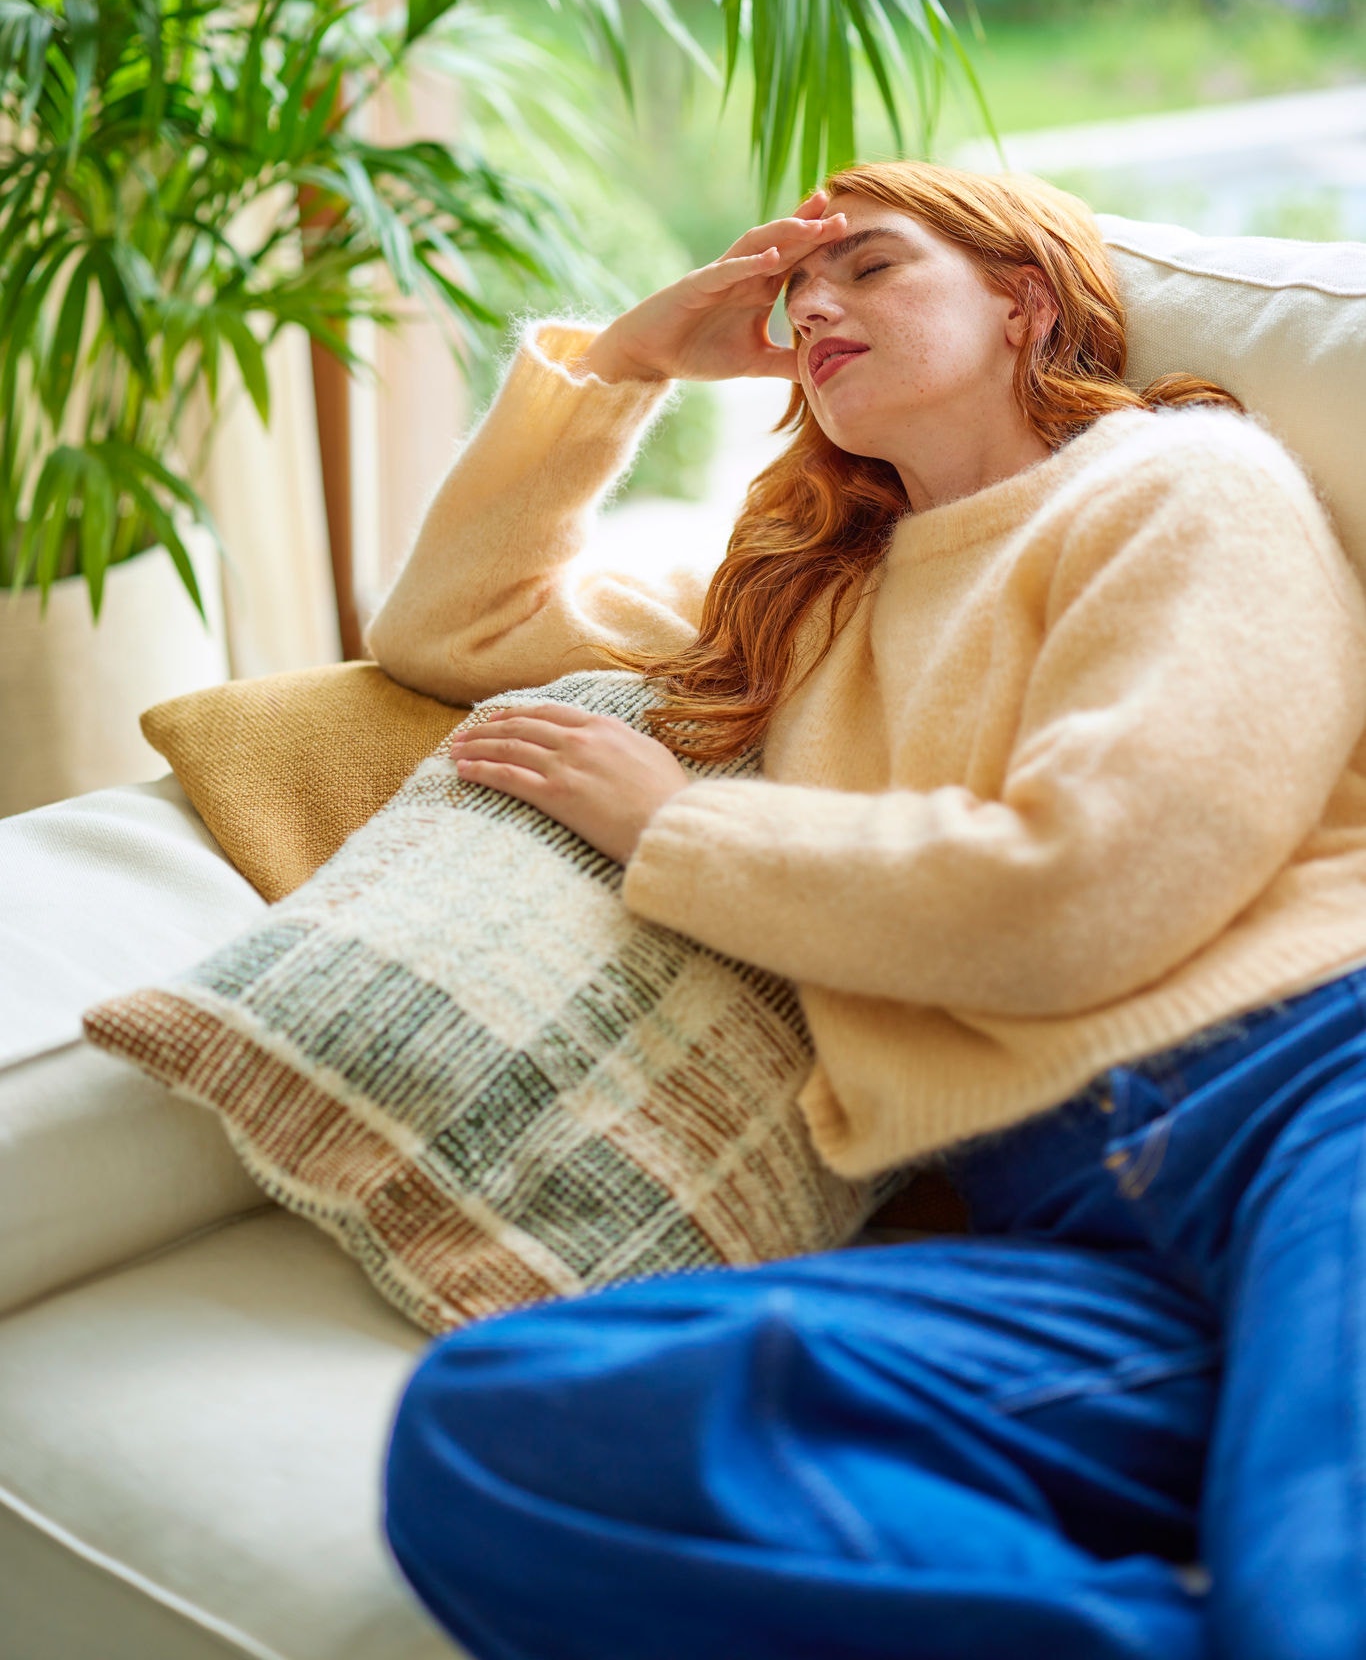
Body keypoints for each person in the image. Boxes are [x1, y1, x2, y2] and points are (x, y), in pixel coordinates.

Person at [371, 163, 1366, 1660]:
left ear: (1021, 302)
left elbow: (1081, 898)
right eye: (794, 290)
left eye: (873, 270)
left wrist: (675, 824)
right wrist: (629, 364)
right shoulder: (807, 610)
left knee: (1311, 1591)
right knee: (504, 1424)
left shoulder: (1179, 479)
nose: (812, 304)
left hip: (1311, 1096)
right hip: (1076, 1228)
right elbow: (449, 628)